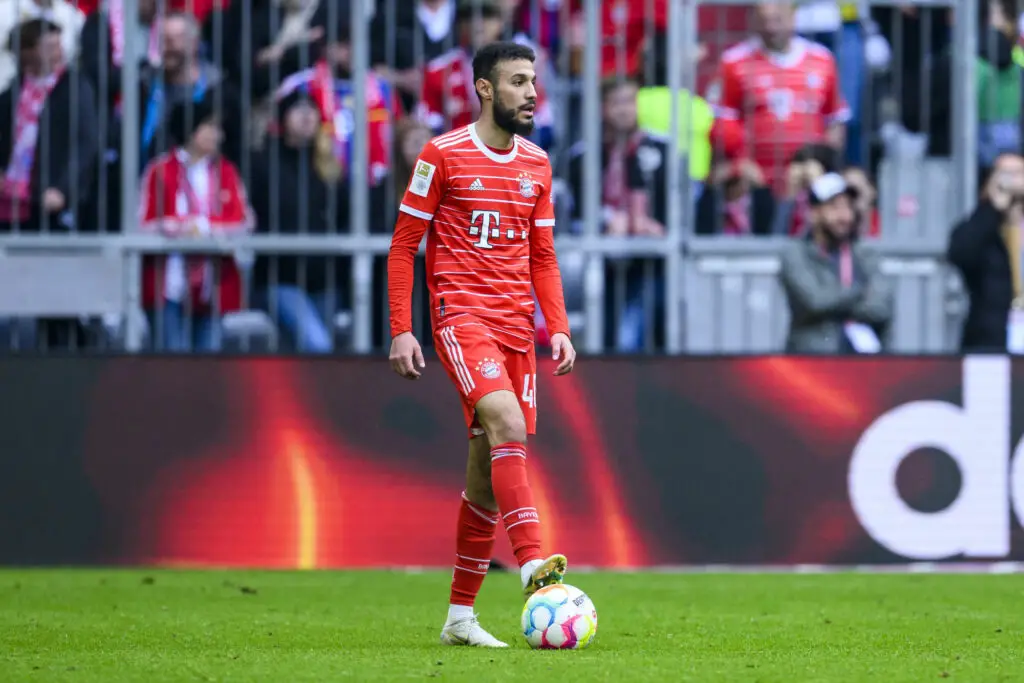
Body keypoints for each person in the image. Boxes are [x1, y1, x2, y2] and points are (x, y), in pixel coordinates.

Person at [387, 40, 576, 648]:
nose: (531, 93)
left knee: (485, 480)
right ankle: (532, 563)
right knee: (507, 423)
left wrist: (559, 326)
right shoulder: (441, 155)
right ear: (485, 89)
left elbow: (543, 256)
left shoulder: (537, 163)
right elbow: (403, 247)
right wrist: (401, 327)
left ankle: (459, 619)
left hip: (517, 329)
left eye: (534, 81)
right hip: (461, 317)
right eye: (518, 81)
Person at [780, 172, 892, 353]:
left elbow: (880, 307)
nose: (845, 216)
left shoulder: (865, 254)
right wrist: (859, 290)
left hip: (863, 357)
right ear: (814, 213)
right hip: (813, 358)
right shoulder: (795, 254)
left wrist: (837, 303)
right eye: (834, 207)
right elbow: (816, 301)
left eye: (848, 207)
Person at [948, 153, 1024, 352]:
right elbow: (960, 253)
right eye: (1004, 173)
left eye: (1017, 173)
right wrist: (992, 207)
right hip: (992, 336)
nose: (1010, 181)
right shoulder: (983, 226)